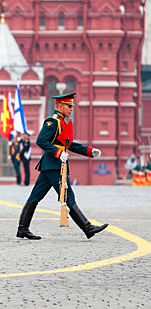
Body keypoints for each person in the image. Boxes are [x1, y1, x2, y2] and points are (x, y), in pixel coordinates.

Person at [16, 93, 107, 240]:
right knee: (68, 195)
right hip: (54, 165)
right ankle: (88, 228)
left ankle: (22, 229)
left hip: (52, 165)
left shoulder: (63, 122)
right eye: (69, 106)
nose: (71, 109)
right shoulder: (53, 121)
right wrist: (58, 153)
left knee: (35, 196)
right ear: (60, 106)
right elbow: (41, 140)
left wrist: (89, 151)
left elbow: (69, 144)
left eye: (72, 106)